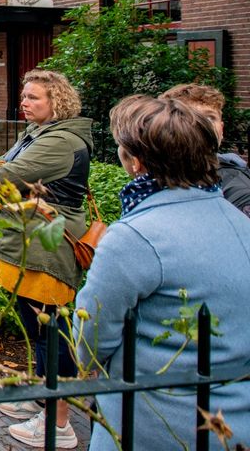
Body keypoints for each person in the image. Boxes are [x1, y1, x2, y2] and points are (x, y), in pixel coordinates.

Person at [76, 95, 250, 449]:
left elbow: (88, 343)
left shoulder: (134, 237)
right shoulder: (239, 222)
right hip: (232, 424)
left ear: (136, 162)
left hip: (155, 424)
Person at [0, 69, 91, 449]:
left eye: (33, 98)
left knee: (54, 333)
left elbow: (1, 173)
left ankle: (59, 423)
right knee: (38, 327)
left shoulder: (60, 141)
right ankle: (40, 398)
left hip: (49, 250)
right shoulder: (37, 134)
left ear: (56, 102)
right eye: (24, 96)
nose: (24, 103)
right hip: (28, 244)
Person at [160, 83, 250, 218]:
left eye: (210, 117)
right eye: (190, 117)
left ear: (222, 129)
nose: (204, 125)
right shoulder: (156, 174)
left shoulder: (238, 191)